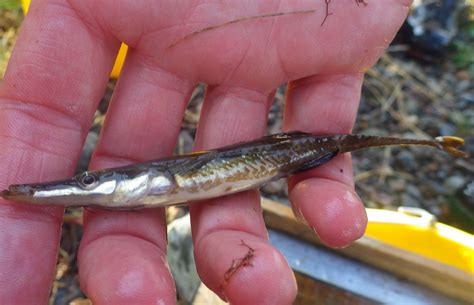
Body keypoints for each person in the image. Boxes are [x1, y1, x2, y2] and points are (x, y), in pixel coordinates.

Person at [0, 1, 411, 304]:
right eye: (86, 180)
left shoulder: (160, 182)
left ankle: (425, 143)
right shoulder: (152, 186)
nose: (86, 184)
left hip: (294, 150)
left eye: (88, 180)